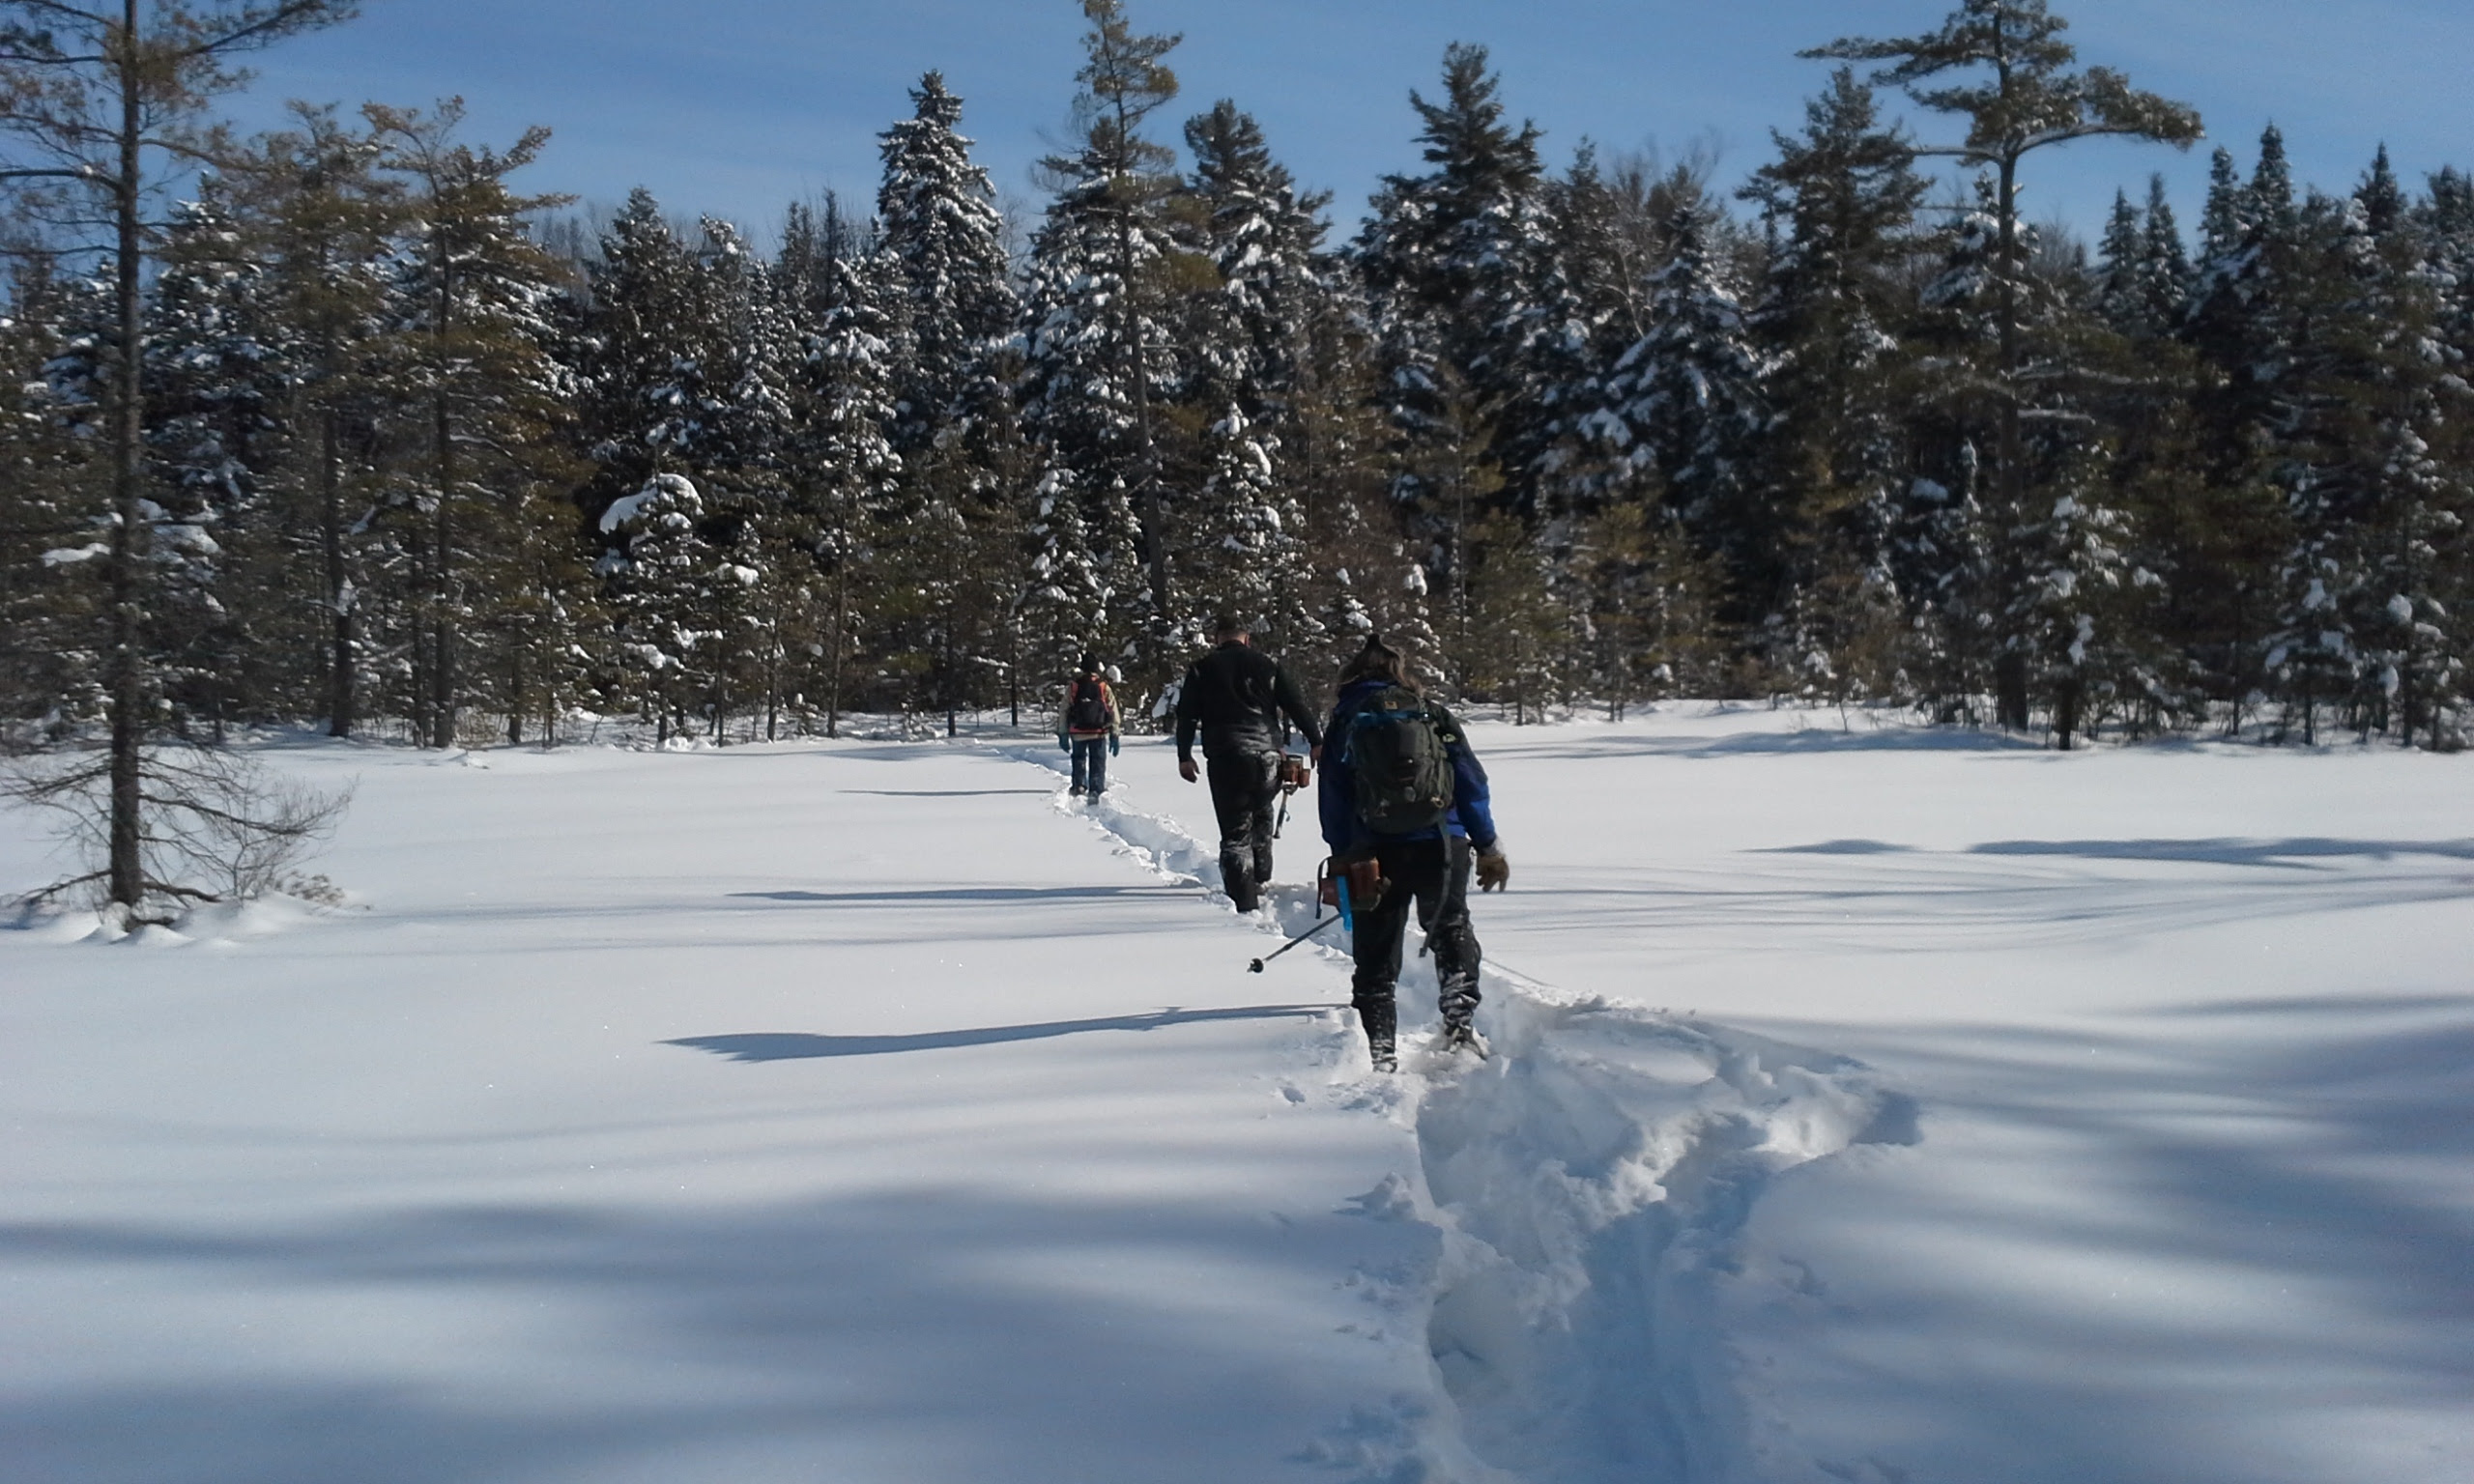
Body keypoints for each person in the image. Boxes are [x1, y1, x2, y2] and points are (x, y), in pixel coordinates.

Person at [1318, 634, 1509, 1071]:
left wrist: (1342, 852)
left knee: (1375, 950)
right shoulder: (1431, 714)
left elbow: (1334, 793)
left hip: (1373, 849)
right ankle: (1459, 1021)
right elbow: (1470, 779)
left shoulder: (1347, 717)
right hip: (1442, 840)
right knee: (1451, 925)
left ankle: (1382, 1050)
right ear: (1399, 671)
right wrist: (1487, 845)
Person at [1173, 614, 1324, 913]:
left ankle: (1244, 903)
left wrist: (1184, 755)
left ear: (1217, 638)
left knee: (1235, 832)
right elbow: (1295, 704)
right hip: (1268, 755)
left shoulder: (1202, 669)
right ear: (1247, 638)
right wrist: (1316, 741)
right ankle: (1261, 877)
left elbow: (1187, 715)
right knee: (1261, 811)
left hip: (1227, 756)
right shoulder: (1268, 665)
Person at [1057, 652, 1120, 798]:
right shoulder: (1103, 686)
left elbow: (1064, 710)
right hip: (1099, 731)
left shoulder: (1074, 686)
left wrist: (1063, 733)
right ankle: (1096, 788)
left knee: (1078, 758)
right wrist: (1115, 734)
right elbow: (1113, 709)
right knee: (1097, 760)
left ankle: (1079, 785)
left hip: (1078, 731)